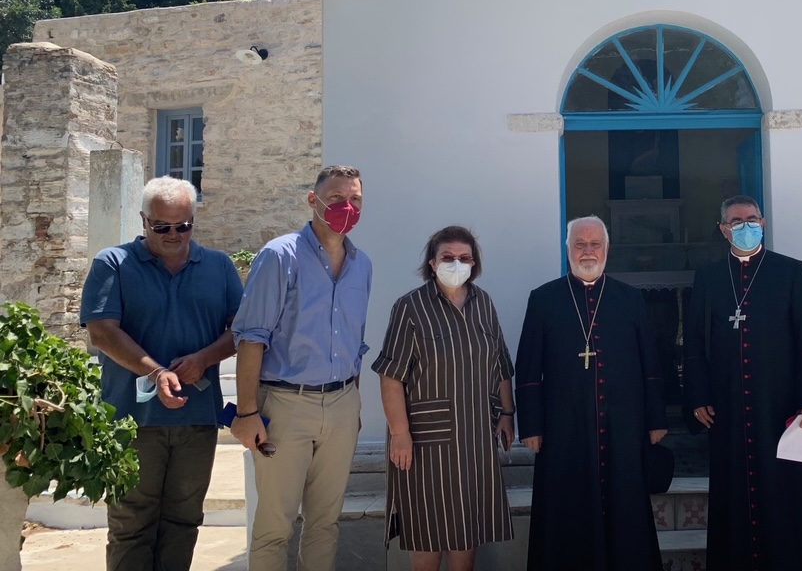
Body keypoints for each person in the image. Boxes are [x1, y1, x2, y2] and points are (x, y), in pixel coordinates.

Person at [81, 176, 242, 571]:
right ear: (144, 220)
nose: (174, 235)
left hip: (197, 418)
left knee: (184, 522)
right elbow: (102, 332)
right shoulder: (113, 264)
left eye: (183, 226)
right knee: (131, 525)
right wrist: (155, 373)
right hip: (131, 419)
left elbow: (242, 331)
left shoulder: (219, 266)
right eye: (162, 226)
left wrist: (203, 359)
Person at [230, 165, 373, 571]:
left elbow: (355, 342)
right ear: (314, 200)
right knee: (275, 527)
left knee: (325, 523)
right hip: (285, 406)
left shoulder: (362, 265)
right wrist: (246, 412)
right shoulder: (280, 256)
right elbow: (251, 338)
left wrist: (353, 404)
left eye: (355, 199)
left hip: (342, 404)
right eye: (337, 198)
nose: (347, 206)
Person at [683, 195, 802, 571]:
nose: (746, 226)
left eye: (752, 219)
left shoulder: (790, 271)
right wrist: (698, 395)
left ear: (763, 223)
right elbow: (694, 343)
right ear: (723, 230)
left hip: (781, 405)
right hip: (728, 407)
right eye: (737, 222)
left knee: (790, 495)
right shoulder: (709, 277)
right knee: (734, 494)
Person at [514, 216, 668, 571]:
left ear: (607, 249)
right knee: (565, 507)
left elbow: (650, 361)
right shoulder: (544, 299)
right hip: (563, 428)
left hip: (623, 426)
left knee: (625, 506)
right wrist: (532, 426)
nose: (587, 251)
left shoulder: (630, 298)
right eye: (579, 244)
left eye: (595, 244)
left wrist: (656, 419)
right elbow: (528, 366)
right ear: (567, 249)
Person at [373, 226, 516, 571]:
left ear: (474, 263)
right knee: (427, 527)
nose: (456, 263)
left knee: (468, 526)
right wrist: (400, 433)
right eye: (448, 257)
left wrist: (507, 412)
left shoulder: (484, 304)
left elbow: (500, 363)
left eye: (464, 257)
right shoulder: (410, 307)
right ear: (433, 263)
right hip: (425, 442)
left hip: (477, 437)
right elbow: (391, 376)